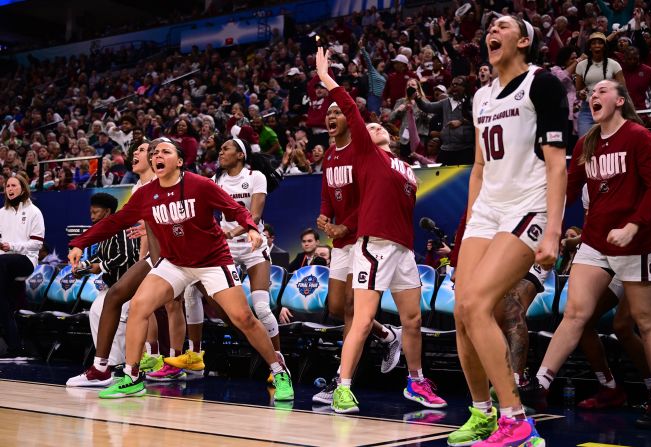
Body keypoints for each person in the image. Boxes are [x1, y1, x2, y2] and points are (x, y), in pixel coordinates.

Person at [68, 137, 294, 402]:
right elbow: (115, 222)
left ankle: (279, 370)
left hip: (211, 261)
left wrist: (253, 228)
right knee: (139, 305)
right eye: (154, 152)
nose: (157, 155)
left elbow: (234, 210)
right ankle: (131, 377)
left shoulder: (201, 185)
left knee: (243, 317)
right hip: (175, 263)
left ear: (179, 160)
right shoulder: (145, 194)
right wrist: (79, 244)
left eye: (164, 151)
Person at [446, 16, 568, 447]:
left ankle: (516, 421)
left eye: (501, 26)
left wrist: (553, 230)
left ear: (523, 40)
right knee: (460, 308)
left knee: (479, 304)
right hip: (488, 210)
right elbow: (479, 166)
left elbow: (556, 162)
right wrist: (470, 223)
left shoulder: (543, 84)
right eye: (488, 29)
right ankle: (482, 413)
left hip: (528, 206)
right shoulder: (480, 96)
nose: (490, 33)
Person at [526, 80, 651, 429]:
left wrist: (634, 225)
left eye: (603, 90)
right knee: (575, 314)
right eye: (591, 92)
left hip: (636, 243)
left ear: (620, 100)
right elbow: (570, 188)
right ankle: (539, 385)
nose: (594, 95)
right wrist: (549, 225)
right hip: (595, 242)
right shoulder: (587, 143)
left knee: (644, 320)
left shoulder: (639, 136)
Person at [316, 46, 446, 414]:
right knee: (360, 317)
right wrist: (327, 79)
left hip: (404, 248)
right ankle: (343, 386)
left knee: (413, 319)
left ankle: (416, 382)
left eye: (376, 127)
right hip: (374, 246)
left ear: (387, 135)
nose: (369, 128)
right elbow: (353, 111)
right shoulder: (367, 155)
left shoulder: (405, 167)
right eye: (366, 127)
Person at [312, 101, 402, 406]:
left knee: (352, 304)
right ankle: (387, 334)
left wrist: (345, 227)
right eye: (328, 114)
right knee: (336, 304)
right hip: (340, 240)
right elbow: (326, 192)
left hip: (364, 235)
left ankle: (342, 378)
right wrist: (325, 218)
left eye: (337, 113)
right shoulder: (329, 155)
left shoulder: (363, 153)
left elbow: (369, 199)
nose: (331, 117)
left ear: (351, 121)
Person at [209, 137, 287, 382]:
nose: (220, 152)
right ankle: (253, 340)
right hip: (226, 248)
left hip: (253, 245)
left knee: (262, 307)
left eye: (226, 148)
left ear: (240, 155)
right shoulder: (216, 180)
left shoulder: (256, 177)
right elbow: (206, 213)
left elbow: (253, 215)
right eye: (220, 149)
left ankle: (278, 363)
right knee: (220, 306)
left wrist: (231, 231)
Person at [71, 193, 139, 372]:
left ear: (108, 211)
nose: (92, 216)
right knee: (95, 312)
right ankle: (107, 362)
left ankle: (119, 364)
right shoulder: (102, 234)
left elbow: (127, 256)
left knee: (119, 317)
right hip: (111, 287)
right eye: (91, 212)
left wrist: (100, 266)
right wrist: (82, 267)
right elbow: (97, 258)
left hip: (129, 287)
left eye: (96, 212)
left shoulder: (122, 229)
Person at [0, 175, 44, 359]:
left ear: (23, 189)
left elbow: (37, 244)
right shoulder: (2, 212)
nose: (10, 189)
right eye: (7, 186)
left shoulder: (34, 212)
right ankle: (14, 347)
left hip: (25, 260)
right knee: (2, 301)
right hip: (3, 262)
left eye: (13, 185)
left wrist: (12, 246)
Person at [575, 32, 625, 137]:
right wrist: (581, 94)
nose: (597, 45)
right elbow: (578, 91)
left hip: (609, 109)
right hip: (588, 109)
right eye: (593, 43)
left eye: (600, 43)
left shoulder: (614, 65)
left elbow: (622, 90)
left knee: (608, 143)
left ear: (604, 47)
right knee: (584, 142)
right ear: (589, 47)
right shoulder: (581, 66)